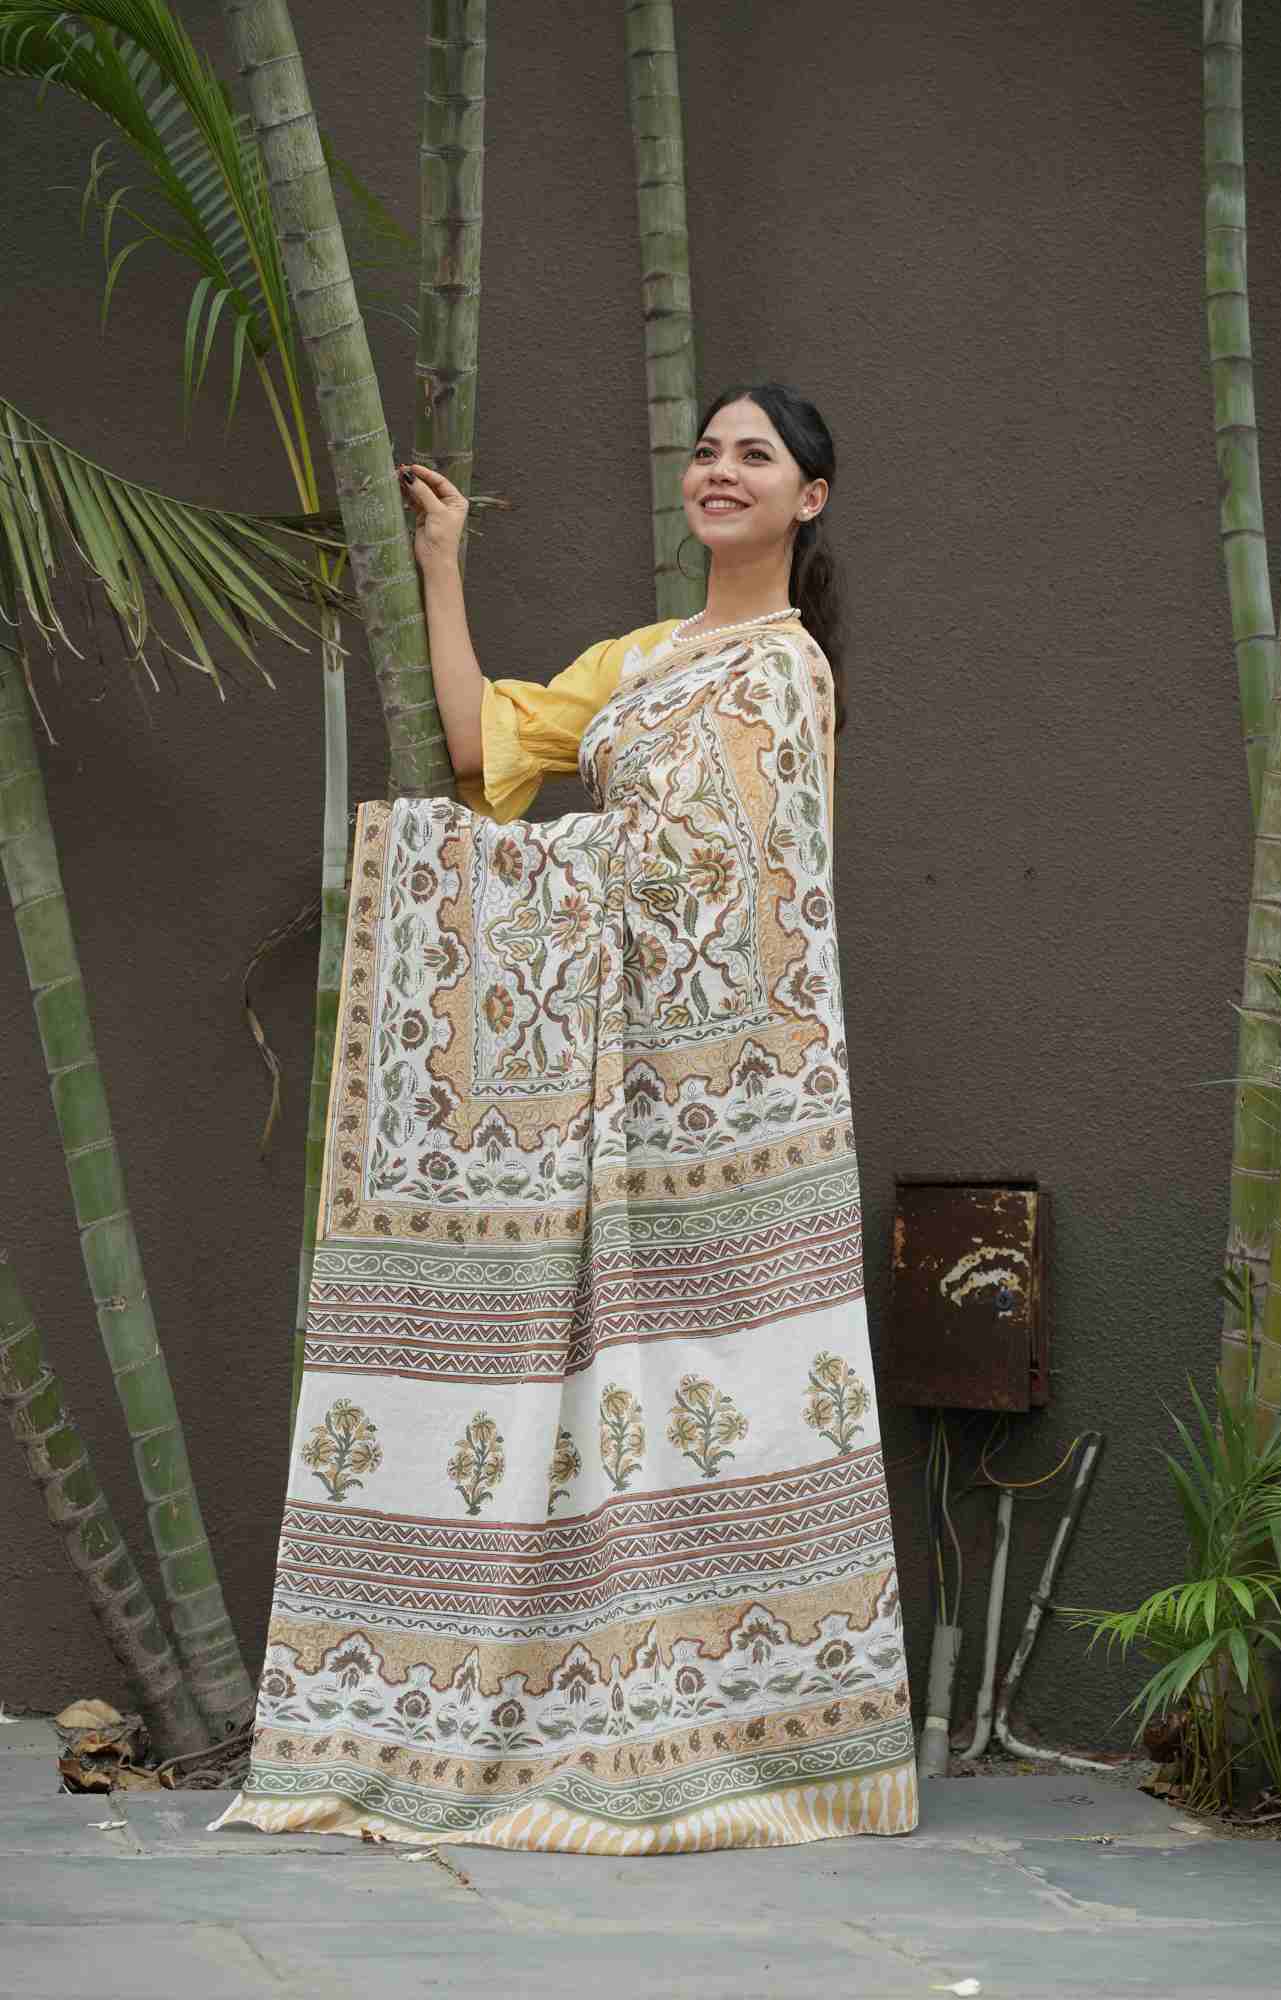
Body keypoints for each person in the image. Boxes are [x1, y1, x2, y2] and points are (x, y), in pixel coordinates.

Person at [214, 382, 918, 1853]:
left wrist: (618, 888)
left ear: (810, 497)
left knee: (725, 1387)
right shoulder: (636, 662)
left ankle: (763, 1736)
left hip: (721, 1102)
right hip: (590, 1092)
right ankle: (539, 1701)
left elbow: (750, 883)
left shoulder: (791, 674)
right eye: (707, 451)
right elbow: (485, 752)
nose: (720, 471)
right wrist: (443, 566)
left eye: (755, 456)